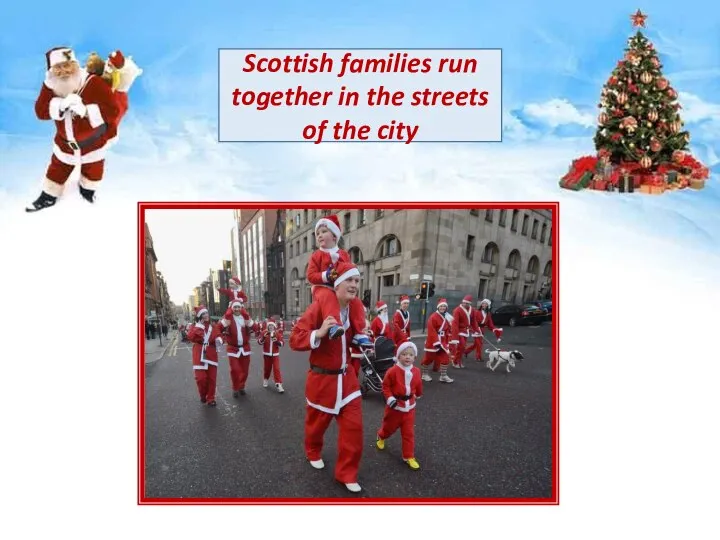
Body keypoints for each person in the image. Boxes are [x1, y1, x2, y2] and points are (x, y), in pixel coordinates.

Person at [290, 261, 364, 493]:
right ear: (338, 284)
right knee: (316, 427)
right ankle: (312, 449)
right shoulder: (318, 308)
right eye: (349, 280)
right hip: (323, 382)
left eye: (357, 281)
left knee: (354, 428)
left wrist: (363, 339)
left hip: (348, 380)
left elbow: (349, 341)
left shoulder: (354, 311)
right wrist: (319, 333)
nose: (354, 285)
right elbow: (295, 338)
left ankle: (346, 473)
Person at [27, 46, 121, 212]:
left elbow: (113, 110)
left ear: (75, 64)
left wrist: (86, 111)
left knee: (93, 172)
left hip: (93, 144)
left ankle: (88, 192)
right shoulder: (51, 85)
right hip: (65, 145)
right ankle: (48, 196)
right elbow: (40, 111)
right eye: (58, 67)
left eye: (67, 65)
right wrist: (60, 105)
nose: (63, 71)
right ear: (51, 70)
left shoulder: (93, 82)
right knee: (57, 171)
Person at [307, 214, 372, 347]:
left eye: (324, 232)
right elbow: (311, 276)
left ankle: (359, 333)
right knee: (328, 297)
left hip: (340, 288)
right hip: (322, 287)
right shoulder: (316, 255)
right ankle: (333, 326)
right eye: (317, 233)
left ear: (335, 236)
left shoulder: (344, 254)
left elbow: (348, 270)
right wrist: (326, 275)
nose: (319, 235)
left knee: (357, 302)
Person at [376, 340, 423, 470]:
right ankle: (381, 435)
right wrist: (390, 398)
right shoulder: (392, 371)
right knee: (388, 429)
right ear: (398, 356)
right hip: (394, 407)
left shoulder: (417, 371)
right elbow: (385, 386)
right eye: (404, 354)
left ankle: (409, 456)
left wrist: (418, 394)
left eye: (411, 355)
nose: (408, 357)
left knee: (408, 433)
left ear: (414, 357)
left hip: (410, 408)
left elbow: (418, 384)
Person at [84, 49, 142, 140]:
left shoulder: (118, 91)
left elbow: (131, 72)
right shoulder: (92, 83)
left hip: (103, 126)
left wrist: (120, 64)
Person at [217, 298, 255, 397]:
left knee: (245, 371)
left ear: (241, 308)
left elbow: (256, 328)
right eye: (235, 307)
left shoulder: (245, 317)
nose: (237, 309)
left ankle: (241, 386)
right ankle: (235, 388)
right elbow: (218, 329)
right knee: (235, 369)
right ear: (232, 308)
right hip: (232, 348)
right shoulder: (228, 318)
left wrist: (249, 322)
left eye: (238, 307)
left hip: (245, 348)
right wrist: (225, 321)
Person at [187, 305, 223, 407]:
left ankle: (211, 398)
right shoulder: (195, 326)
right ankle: (203, 395)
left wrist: (219, 340)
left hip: (211, 354)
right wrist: (200, 326)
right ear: (199, 316)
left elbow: (219, 335)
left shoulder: (213, 326)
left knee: (212, 379)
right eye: (203, 314)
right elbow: (190, 337)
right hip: (199, 354)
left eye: (206, 313)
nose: (206, 315)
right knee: (201, 379)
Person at [420, 298, 454, 383]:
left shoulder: (447, 316)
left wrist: (449, 338)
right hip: (433, 341)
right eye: (441, 306)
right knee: (428, 359)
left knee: (445, 358)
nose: (442, 308)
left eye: (444, 306)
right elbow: (431, 330)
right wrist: (436, 342)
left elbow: (448, 329)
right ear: (438, 307)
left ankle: (443, 376)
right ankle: (424, 374)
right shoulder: (433, 317)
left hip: (442, 340)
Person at [449, 295, 479, 369]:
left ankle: (459, 361)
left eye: (467, 303)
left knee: (462, 348)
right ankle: (455, 361)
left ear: (469, 304)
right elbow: (455, 324)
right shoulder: (457, 310)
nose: (465, 304)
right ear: (462, 302)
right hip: (459, 331)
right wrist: (454, 336)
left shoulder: (472, 310)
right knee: (461, 346)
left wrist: (477, 330)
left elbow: (473, 321)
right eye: (464, 303)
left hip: (466, 331)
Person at [258, 318, 285, 393]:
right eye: (269, 325)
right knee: (267, 369)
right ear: (268, 326)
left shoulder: (277, 333)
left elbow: (282, 343)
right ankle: (266, 379)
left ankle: (279, 384)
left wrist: (277, 342)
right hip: (266, 354)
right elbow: (259, 342)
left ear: (274, 326)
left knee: (276, 369)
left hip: (275, 355)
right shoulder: (264, 332)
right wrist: (263, 337)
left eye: (272, 325)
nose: (270, 327)